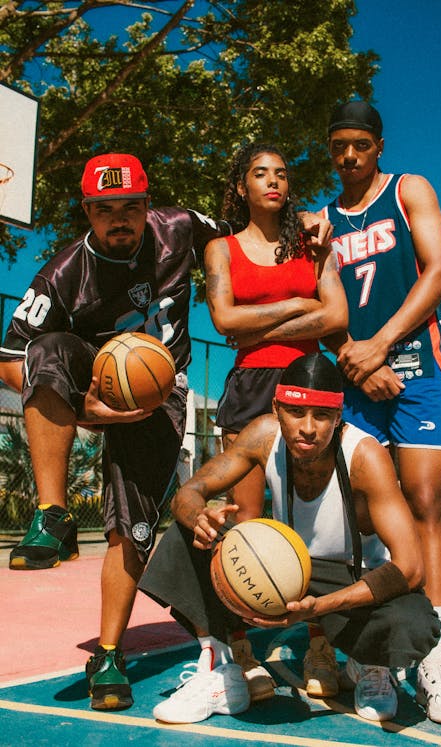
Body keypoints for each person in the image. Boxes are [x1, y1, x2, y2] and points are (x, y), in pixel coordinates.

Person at [0, 152, 240, 712]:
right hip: (94, 381)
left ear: (148, 206)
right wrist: (86, 409)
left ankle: (107, 653)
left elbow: (241, 229)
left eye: (131, 206)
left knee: (131, 532)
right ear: (87, 211)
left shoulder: (181, 227)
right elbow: (9, 359)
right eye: (106, 209)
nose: (120, 219)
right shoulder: (62, 275)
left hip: (164, 389)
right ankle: (52, 514)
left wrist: (301, 225)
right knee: (48, 350)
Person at [139, 352, 440, 725]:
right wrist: (198, 516)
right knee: (189, 537)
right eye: (297, 413)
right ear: (278, 407)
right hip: (283, 566)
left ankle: (369, 665)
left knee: (413, 620)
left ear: (339, 416)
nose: (308, 428)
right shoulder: (264, 436)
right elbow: (190, 491)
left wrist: (322, 607)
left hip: (352, 578)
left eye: (322, 415)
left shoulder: (365, 456)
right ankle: (221, 671)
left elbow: (410, 568)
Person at [320, 100, 441, 724]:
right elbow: (322, 306)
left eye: (360, 144)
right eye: (338, 146)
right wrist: (356, 357)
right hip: (358, 374)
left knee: (422, 502)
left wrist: (381, 344)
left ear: (379, 145)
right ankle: (376, 654)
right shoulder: (321, 222)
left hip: (417, 369)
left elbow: (440, 272)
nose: (350, 156)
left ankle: (434, 654)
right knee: (362, 510)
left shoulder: (408, 189)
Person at [203, 142, 348, 698]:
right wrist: (295, 307)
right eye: (260, 174)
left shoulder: (313, 243)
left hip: (309, 385)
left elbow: (335, 315)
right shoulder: (220, 249)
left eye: (282, 174)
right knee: (244, 518)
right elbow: (222, 318)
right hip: (249, 388)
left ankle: (319, 643)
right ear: (241, 186)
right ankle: (239, 647)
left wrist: (258, 323)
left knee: (315, 524)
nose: (273, 182)